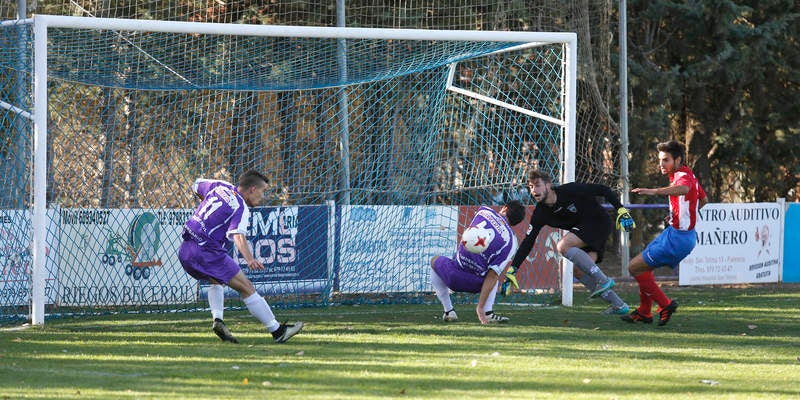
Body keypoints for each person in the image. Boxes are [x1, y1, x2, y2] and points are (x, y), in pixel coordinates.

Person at [178, 170, 303, 343]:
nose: (263, 196)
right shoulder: (241, 207)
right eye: (262, 191)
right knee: (247, 288)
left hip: (186, 248)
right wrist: (250, 259)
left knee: (216, 279)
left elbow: (196, 185)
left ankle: (218, 320)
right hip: (207, 251)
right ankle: (277, 330)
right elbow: (237, 235)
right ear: (252, 189)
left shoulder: (220, 186)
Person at [504, 170, 634, 315]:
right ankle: (619, 306)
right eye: (531, 187)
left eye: (537, 185)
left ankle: (603, 280)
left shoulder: (570, 190)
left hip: (599, 223)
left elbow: (604, 190)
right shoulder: (540, 213)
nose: (534, 190)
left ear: (548, 185)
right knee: (578, 271)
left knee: (563, 246)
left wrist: (621, 210)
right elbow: (528, 242)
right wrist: (513, 269)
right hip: (586, 232)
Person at [622, 140, 707, 326]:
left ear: (678, 160)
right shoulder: (689, 174)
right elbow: (704, 199)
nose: (661, 164)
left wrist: (653, 191)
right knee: (643, 269)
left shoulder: (683, 175)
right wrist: (683, 214)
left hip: (678, 239)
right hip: (680, 234)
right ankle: (645, 312)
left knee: (634, 268)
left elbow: (684, 189)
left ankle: (665, 304)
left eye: (666, 160)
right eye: (660, 160)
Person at [430, 200, 526, 324]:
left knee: (434, 261)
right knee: (494, 272)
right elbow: (492, 276)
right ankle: (487, 312)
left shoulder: (484, 210)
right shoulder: (511, 242)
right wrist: (479, 307)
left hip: (452, 275)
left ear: (505, 208)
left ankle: (449, 310)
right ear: (515, 222)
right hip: (475, 284)